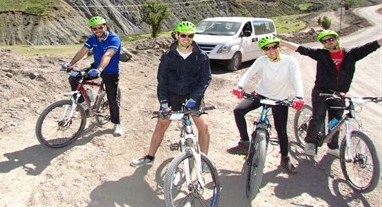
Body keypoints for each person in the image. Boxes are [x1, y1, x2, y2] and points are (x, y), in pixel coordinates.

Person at [281, 30, 382, 157]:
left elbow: (371, 46)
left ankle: (333, 147)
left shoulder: (351, 54)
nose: (329, 42)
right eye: (325, 41)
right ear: (323, 44)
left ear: (337, 39)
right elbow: (301, 49)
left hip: (339, 95)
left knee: (336, 122)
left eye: (331, 39)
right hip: (321, 93)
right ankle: (310, 143)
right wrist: (282, 42)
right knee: (318, 118)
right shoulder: (321, 54)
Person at [130, 21, 212, 167]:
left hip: (193, 96)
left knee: (204, 126)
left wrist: (195, 97)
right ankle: (150, 157)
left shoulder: (201, 56)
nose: (186, 38)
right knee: (161, 124)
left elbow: (205, 79)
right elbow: (162, 80)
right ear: (177, 35)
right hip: (172, 95)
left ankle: (204, 161)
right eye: (183, 35)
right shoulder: (168, 55)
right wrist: (163, 102)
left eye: (190, 35)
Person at [227, 35, 304, 174]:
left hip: (280, 99)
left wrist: (299, 96)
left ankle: (285, 158)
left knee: (281, 130)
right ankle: (245, 142)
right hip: (261, 94)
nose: (271, 50)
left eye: (274, 46)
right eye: (267, 48)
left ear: (279, 47)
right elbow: (248, 73)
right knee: (238, 111)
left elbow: (297, 78)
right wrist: (239, 86)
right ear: (264, 51)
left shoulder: (290, 61)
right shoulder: (262, 60)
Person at [61, 16, 123, 137]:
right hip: (95, 67)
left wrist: (99, 69)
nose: (98, 30)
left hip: (110, 71)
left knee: (112, 98)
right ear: (92, 30)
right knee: (74, 77)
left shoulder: (114, 39)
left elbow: (108, 55)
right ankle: (83, 105)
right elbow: (83, 51)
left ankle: (117, 123)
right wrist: (70, 64)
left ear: (105, 26)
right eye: (95, 28)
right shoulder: (92, 38)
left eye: (100, 27)